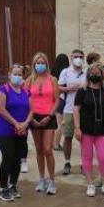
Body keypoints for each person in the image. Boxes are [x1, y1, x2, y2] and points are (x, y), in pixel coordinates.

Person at [74, 63, 104, 198]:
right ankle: (90, 184)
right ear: (88, 75)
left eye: (97, 73)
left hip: (103, 129)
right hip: (86, 129)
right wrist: (77, 128)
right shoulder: (82, 91)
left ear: (102, 75)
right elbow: (76, 110)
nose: (95, 75)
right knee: (87, 156)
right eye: (92, 73)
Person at [0, 64, 32, 201]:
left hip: (22, 130)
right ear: (9, 74)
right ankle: (2, 188)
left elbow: (31, 109)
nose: (17, 77)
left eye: (20, 74)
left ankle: (13, 185)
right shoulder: (4, 90)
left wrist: (26, 123)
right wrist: (15, 123)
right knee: (8, 157)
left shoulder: (26, 92)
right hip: (6, 130)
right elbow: (1, 109)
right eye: (14, 74)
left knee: (18, 158)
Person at [25, 52, 60, 194]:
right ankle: (41, 179)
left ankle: (52, 180)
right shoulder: (29, 80)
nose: (40, 65)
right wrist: (30, 118)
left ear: (46, 64)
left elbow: (57, 100)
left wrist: (50, 115)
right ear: (34, 65)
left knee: (47, 149)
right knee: (39, 149)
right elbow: (25, 99)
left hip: (48, 116)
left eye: (42, 62)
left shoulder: (53, 80)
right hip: (34, 116)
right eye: (37, 63)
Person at [57, 49, 86, 176]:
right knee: (67, 137)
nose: (78, 58)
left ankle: (83, 163)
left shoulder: (87, 72)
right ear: (71, 57)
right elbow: (58, 88)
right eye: (76, 56)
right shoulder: (65, 72)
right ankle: (67, 162)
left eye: (80, 56)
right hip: (69, 109)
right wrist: (69, 88)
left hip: (84, 110)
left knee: (84, 138)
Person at [51, 53, 70, 151]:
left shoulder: (53, 73)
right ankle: (56, 144)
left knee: (54, 124)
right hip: (62, 100)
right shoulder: (66, 72)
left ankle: (52, 142)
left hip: (52, 101)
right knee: (59, 124)